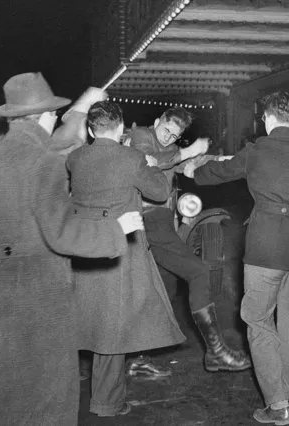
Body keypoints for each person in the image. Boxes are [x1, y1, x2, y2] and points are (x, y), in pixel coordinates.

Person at [0, 72, 143, 425]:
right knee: (42, 396)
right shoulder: (45, 163)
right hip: (39, 296)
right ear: (42, 117)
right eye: (53, 113)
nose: (55, 117)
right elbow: (61, 234)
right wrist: (114, 230)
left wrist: (3, 255)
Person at [184, 91, 289, 425]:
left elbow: (220, 172)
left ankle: (278, 405)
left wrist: (191, 172)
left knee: (257, 321)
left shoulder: (257, 150)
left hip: (265, 249)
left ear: (268, 118)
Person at [68, 100, 185, 417]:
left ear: (91, 130)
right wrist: (149, 162)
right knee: (113, 326)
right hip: (120, 247)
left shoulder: (75, 158)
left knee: (85, 316)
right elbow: (160, 192)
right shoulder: (131, 158)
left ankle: (73, 383)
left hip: (83, 247)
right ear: (120, 129)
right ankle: (106, 402)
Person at [130, 106, 251, 373]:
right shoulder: (140, 135)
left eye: (174, 136)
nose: (167, 138)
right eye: (165, 130)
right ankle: (216, 352)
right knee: (198, 272)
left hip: (160, 223)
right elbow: (146, 161)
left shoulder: (168, 152)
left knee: (164, 287)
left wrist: (212, 162)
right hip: (147, 222)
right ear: (156, 121)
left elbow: (179, 165)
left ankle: (138, 357)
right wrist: (186, 151)